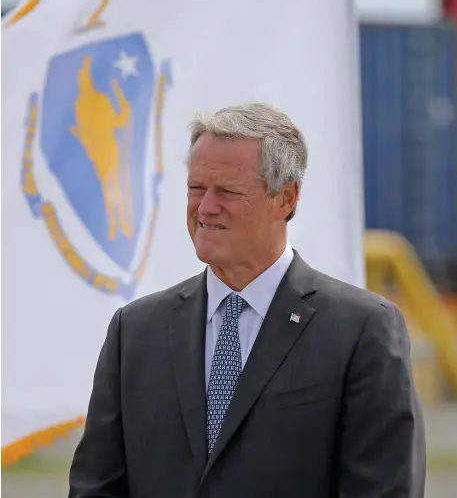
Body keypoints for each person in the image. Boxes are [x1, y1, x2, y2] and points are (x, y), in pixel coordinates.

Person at [69, 102, 426, 498]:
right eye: (196, 189)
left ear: (286, 198)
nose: (205, 208)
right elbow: (95, 487)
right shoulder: (134, 332)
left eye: (228, 192)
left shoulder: (362, 330)